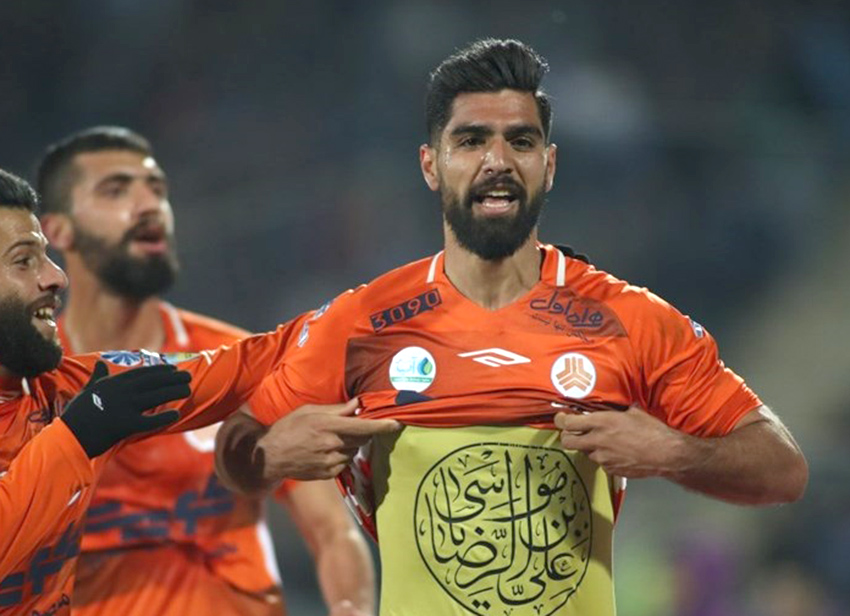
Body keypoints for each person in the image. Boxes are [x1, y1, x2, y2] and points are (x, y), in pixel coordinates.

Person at [215, 39, 808, 616]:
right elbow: (233, 451)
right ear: (431, 165)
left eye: (520, 141)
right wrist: (267, 456)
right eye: (471, 140)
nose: (497, 161)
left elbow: (783, 469)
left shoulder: (629, 319)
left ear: (548, 166)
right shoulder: (363, 323)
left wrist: (672, 451)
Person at [0, 169, 397, 615]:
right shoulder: (79, 417)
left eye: (46, 257)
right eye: (23, 261)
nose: (55, 277)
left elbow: (237, 367)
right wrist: (76, 436)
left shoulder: (68, 387)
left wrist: (385, 307)